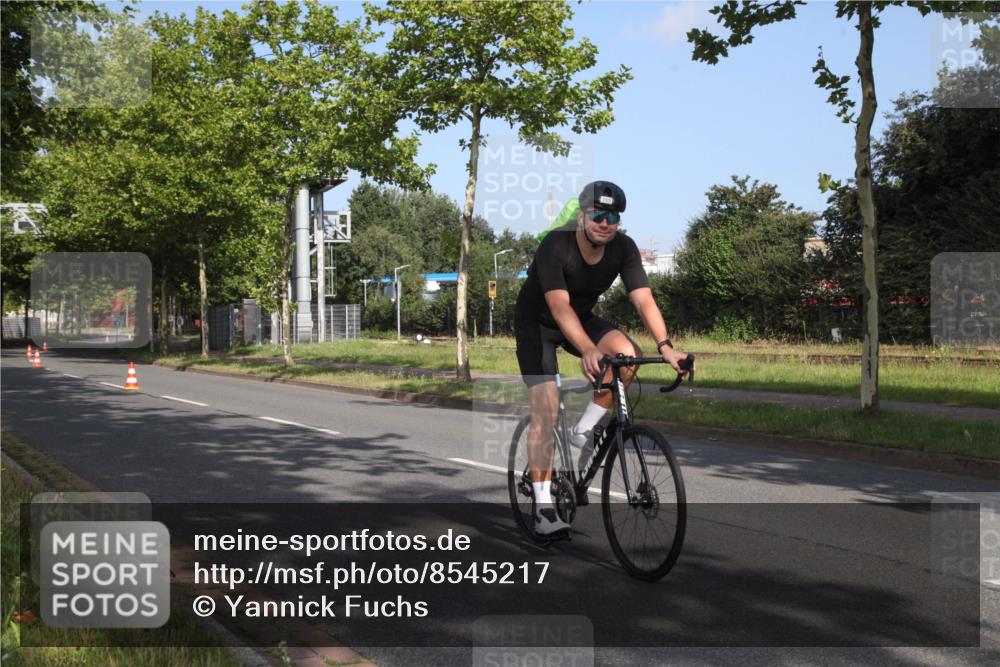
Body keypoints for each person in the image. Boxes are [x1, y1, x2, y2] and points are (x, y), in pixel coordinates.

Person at [514, 181, 692, 538]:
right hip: (539, 324)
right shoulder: (556, 244)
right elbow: (558, 305)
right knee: (546, 409)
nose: (605, 223)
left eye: (613, 217)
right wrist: (588, 347)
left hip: (579, 319)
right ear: (582, 216)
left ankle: (583, 430)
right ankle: (544, 506)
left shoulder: (623, 249)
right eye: (599, 215)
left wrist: (667, 347)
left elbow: (643, 299)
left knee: (626, 358)